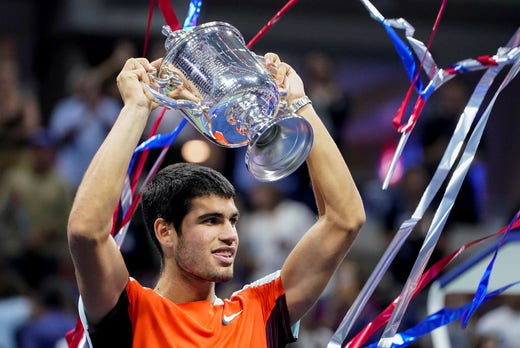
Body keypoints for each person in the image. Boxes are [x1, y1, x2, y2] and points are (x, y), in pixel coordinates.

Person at [66, 53, 365, 346]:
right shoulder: (134, 311)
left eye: (232, 220)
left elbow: (345, 219)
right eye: (210, 220)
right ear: (165, 231)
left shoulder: (258, 311)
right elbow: (85, 232)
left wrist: (298, 104)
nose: (229, 235)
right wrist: (136, 108)